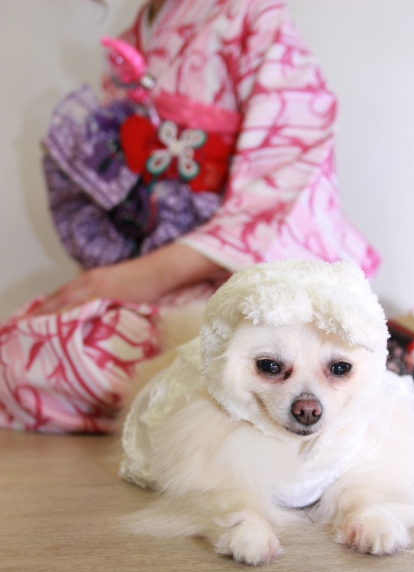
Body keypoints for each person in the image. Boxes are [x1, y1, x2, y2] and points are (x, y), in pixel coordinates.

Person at [0, 0, 380, 434]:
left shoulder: (251, 14)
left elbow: (289, 161)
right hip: (164, 280)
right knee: (24, 339)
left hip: (238, 279)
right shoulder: (137, 32)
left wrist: (145, 276)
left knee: (60, 355)